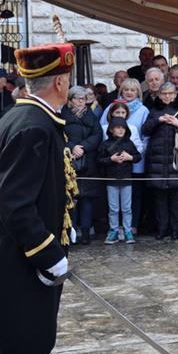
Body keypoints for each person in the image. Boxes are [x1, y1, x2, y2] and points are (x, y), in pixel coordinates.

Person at [0, 43, 77, 354]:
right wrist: (49, 255)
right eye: (67, 78)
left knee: (18, 347)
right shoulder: (34, 127)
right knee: (20, 346)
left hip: (11, 251)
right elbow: (14, 203)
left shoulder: (20, 117)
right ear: (58, 83)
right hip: (21, 258)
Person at [142, 82, 178, 240]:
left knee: (176, 198)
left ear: (175, 95)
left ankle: (176, 228)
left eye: (170, 93)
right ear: (159, 95)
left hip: (177, 161)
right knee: (159, 198)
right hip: (157, 162)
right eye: (164, 94)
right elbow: (145, 130)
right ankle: (162, 228)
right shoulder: (154, 111)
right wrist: (158, 120)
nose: (167, 96)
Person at [100, 78, 149, 233]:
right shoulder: (111, 107)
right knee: (114, 199)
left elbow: (145, 136)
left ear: (138, 92)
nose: (129, 92)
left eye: (133, 90)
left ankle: (131, 226)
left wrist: (133, 154)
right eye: (126, 89)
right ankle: (115, 227)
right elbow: (103, 131)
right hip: (113, 163)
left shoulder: (143, 110)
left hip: (135, 159)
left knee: (133, 195)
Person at [61, 86, 103, 245]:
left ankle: (85, 232)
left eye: (84, 99)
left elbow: (97, 135)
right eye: (78, 98)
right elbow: (60, 135)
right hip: (69, 161)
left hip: (88, 162)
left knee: (87, 199)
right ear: (70, 100)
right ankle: (71, 232)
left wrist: (84, 147)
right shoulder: (62, 115)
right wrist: (73, 147)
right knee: (71, 199)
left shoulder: (91, 116)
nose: (81, 102)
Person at [98, 117, 142, 244]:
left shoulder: (129, 143)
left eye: (123, 127)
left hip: (126, 179)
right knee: (113, 208)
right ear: (111, 130)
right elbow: (99, 160)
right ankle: (114, 230)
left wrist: (130, 157)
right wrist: (110, 159)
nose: (121, 130)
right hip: (111, 180)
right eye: (118, 127)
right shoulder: (105, 144)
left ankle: (128, 231)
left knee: (127, 208)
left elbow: (138, 157)